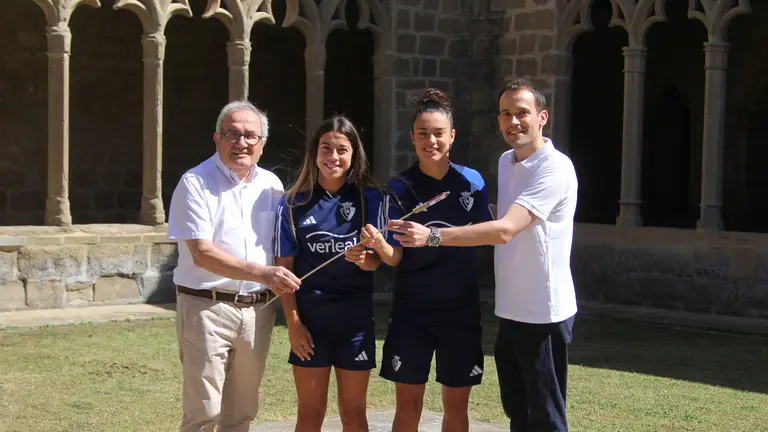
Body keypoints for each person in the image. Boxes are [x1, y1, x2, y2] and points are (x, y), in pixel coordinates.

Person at [387, 78, 579, 432]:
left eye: (522, 113)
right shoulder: (507, 162)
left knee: (546, 417)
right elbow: (494, 217)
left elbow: (505, 229)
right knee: (518, 414)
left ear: (542, 117)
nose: (513, 121)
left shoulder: (555, 168)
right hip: (510, 310)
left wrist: (431, 235)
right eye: (506, 113)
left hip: (543, 313)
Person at [167, 101, 302, 432]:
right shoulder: (195, 183)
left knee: (241, 413)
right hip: (205, 308)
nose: (241, 142)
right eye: (232, 134)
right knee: (204, 413)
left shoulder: (272, 187)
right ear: (217, 139)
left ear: (262, 143)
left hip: (257, 312)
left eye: (249, 136)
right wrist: (263, 273)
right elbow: (202, 253)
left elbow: (285, 244)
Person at [363, 88, 493, 432]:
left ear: (452, 135)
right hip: (413, 312)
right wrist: (378, 244)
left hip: (460, 311)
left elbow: (486, 235)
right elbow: (394, 258)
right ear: (412, 137)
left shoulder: (472, 182)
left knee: (456, 408)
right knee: (408, 408)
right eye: (423, 133)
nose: (431, 140)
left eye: (438, 133)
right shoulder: (397, 187)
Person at [273, 115, 389, 431]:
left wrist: (365, 259)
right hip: (311, 326)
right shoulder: (293, 203)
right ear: (314, 152)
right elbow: (284, 271)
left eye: (341, 150)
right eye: (326, 148)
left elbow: (377, 262)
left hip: (356, 325)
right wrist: (294, 324)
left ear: (354, 156)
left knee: (353, 412)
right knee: (310, 413)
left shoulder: (370, 199)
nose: (333, 157)